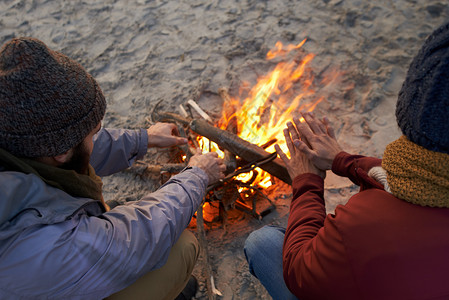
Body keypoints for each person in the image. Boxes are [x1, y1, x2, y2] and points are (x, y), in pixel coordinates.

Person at [0, 37, 226, 299]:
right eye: (94, 132)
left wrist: (143, 138)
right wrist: (196, 176)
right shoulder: (42, 244)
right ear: (61, 151)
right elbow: (135, 238)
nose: (96, 137)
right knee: (182, 247)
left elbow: (74, 148)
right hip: (52, 273)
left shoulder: (17, 144)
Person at [244, 22, 449, 300]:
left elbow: (298, 271)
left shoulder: (363, 225)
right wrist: (344, 161)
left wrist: (307, 182)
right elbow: (413, 180)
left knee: (262, 243)